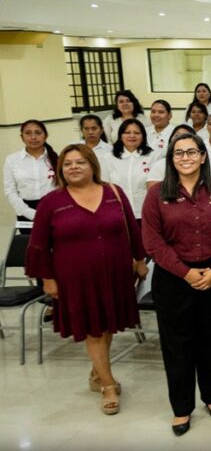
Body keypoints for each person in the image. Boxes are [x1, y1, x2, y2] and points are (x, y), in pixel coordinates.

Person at [26, 144, 147, 415]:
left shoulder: (114, 193)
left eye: (80, 162)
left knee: (107, 326)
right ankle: (108, 385)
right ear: (60, 170)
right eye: (67, 164)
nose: (74, 167)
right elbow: (38, 245)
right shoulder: (51, 202)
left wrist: (139, 261)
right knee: (93, 328)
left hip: (116, 273)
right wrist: (47, 278)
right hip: (75, 279)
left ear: (92, 164)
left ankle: (96, 373)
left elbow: (132, 227)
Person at [142, 133, 211, 436]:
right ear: (171, 159)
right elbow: (152, 242)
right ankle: (182, 408)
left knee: (210, 342)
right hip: (173, 280)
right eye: (179, 153)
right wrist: (185, 273)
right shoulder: (156, 195)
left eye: (192, 152)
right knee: (177, 347)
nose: (186, 157)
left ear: (203, 157)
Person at [4, 120, 58, 226]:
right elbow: (10, 191)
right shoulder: (12, 160)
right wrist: (29, 213)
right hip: (25, 211)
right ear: (22, 137)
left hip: (54, 210)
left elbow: (63, 187)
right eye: (28, 133)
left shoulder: (57, 159)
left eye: (38, 133)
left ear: (45, 136)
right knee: (30, 242)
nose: (33, 137)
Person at [103, 119, 156, 219]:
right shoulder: (109, 158)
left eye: (137, 133)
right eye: (127, 132)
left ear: (143, 137)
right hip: (119, 213)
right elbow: (104, 187)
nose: (132, 136)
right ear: (121, 136)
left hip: (146, 213)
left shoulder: (152, 156)